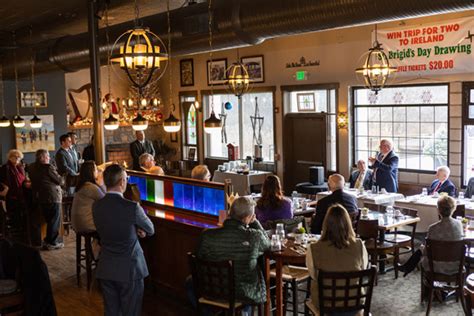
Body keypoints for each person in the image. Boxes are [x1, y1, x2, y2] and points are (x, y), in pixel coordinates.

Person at [93, 164, 154, 316]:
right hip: (130, 269)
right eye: (126, 178)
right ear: (121, 182)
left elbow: (111, 227)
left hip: (106, 267)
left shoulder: (96, 206)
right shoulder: (132, 207)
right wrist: (139, 230)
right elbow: (150, 229)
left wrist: (132, 229)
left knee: (111, 311)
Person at [195, 196, 270, 307]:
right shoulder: (254, 236)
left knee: (189, 283)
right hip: (242, 293)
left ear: (230, 212)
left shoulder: (206, 235)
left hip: (211, 289)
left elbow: (198, 257)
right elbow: (267, 245)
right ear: (247, 218)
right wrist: (255, 222)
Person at [306, 204, 369, 313]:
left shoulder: (314, 248)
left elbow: (313, 275)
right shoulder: (359, 245)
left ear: (325, 224)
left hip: (326, 305)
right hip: (355, 303)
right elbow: (363, 267)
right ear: (348, 223)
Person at [398, 196, 463, 277]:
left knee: (423, 248)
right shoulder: (459, 225)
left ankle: (408, 268)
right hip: (455, 266)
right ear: (453, 209)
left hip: (435, 267)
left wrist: (422, 249)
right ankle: (407, 267)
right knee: (424, 248)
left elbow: (426, 251)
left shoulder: (433, 228)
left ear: (438, 210)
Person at [28, 149, 64, 250]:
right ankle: (51, 242)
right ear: (42, 157)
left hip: (40, 197)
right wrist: (61, 177)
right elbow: (60, 181)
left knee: (49, 220)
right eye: (47, 156)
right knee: (54, 220)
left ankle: (48, 241)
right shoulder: (48, 167)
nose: (49, 158)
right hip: (52, 196)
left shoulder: (31, 167)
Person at [0, 149, 29, 240]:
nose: (17, 158)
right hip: (10, 195)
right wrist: (5, 188)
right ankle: (15, 237)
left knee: (22, 214)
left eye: (18, 157)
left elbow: (23, 179)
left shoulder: (21, 167)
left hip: (21, 194)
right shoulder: (5, 167)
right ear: (10, 157)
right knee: (13, 215)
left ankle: (21, 234)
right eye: (14, 157)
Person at [71, 161, 105, 233]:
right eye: (96, 169)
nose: (97, 172)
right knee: (112, 224)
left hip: (77, 223)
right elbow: (106, 200)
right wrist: (101, 183)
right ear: (91, 172)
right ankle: (100, 243)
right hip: (85, 224)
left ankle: (97, 243)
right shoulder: (90, 187)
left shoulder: (83, 185)